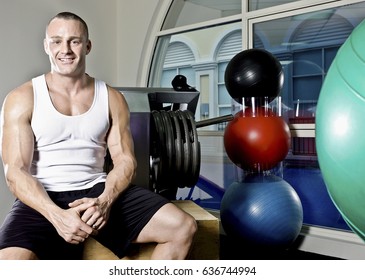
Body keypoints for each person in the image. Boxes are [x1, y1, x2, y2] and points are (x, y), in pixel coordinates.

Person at [0, 12, 197, 260]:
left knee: (182, 227)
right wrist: (56, 216)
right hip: (42, 197)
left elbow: (125, 160)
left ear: (88, 45)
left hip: (97, 190)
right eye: (57, 41)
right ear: (46, 45)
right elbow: (15, 172)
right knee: (9, 264)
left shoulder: (112, 98)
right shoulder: (22, 98)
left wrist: (105, 200)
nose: (66, 50)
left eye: (75, 41)